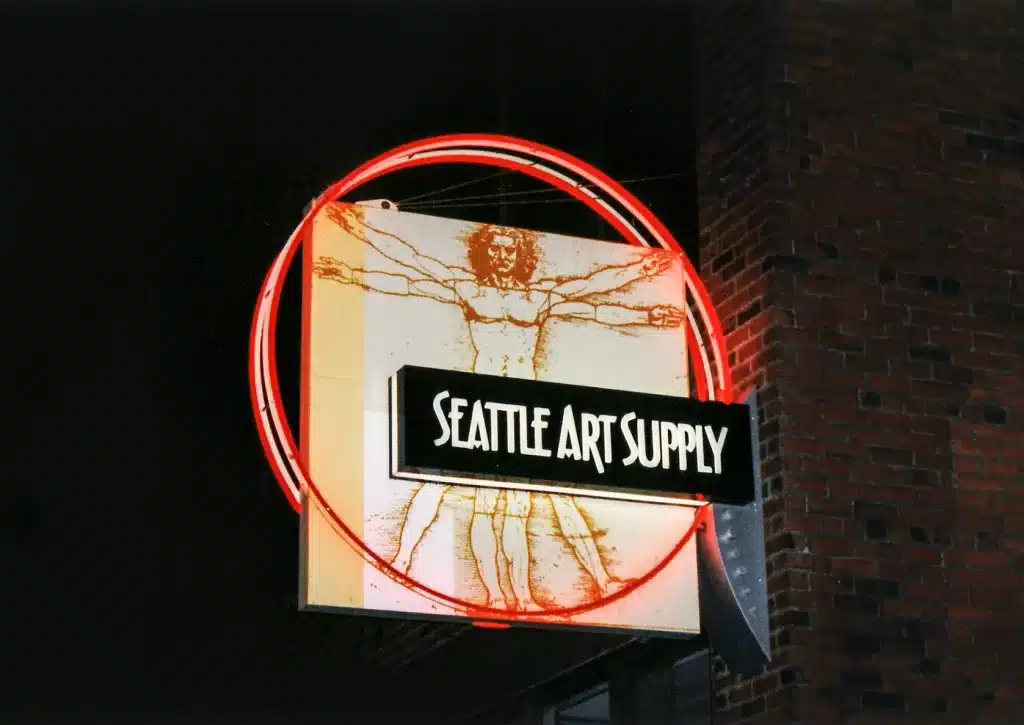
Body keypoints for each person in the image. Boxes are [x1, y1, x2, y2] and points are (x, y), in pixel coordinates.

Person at [315, 203, 684, 611]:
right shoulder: (468, 289)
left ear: (520, 257)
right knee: (462, 495)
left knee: (539, 502)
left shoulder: (541, 297)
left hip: (525, 410)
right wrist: (355, 250)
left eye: (510, 250)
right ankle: (416, 567)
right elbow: (411, 272)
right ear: (485, 254)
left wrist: (646, 286)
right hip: (475, 405)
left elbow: (594, 295)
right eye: (495, 249)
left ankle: (560, 589)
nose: (503, 256)